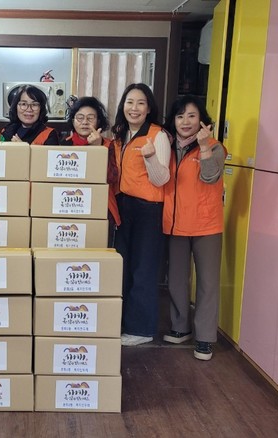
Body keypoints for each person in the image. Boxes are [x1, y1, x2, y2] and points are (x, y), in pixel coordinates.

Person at [161, 95, 226, 361]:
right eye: (180, 116)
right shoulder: (166, 147)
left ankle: (205, 338)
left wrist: (205, 147)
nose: (185, 122)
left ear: (202, 120)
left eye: (191, 116)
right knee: (176, 280)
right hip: (175, 223)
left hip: (206, 225)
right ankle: (180, 327)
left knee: (207, 283)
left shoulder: (215, 147)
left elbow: (210, 177)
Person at [111, 83, 171, 347]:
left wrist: (150, 158)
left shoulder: (157, 135)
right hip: (124, 206)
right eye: (130, 102)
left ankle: (142, 329)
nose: (134, 108)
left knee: (143, 269)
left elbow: (161, 179)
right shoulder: (121, 135)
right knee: (123, 267)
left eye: (141, 103)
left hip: (148, 210)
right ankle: (125, 324)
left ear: (149, 109)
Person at [59, 96, 120, 241]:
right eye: (80, 117)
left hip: (101, 208)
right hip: (70, 205)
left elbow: (111, 177)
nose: (85, 122)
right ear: (73, 120)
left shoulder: (109, 145)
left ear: (99, 121)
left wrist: (97, 148)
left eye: (90, 118)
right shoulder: (63, 145)